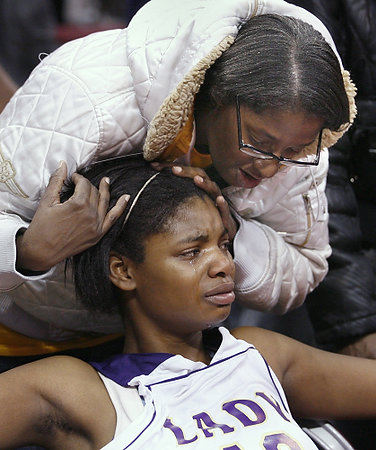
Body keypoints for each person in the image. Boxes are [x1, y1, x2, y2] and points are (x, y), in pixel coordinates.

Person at [0, 1, 356, 358]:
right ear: (216, 94)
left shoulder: (296, 139)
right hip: (18, 337)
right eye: (258, 143)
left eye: (295, 150)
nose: (270, 167)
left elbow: (304, 267)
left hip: (160, 345)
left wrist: (235, 233)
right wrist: (27, 250)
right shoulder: (85, 96)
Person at [1, 156, 376, 449]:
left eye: (224, 244)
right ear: (123, 271)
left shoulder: (257, 353)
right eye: (192, 252)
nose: (224, 265)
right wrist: (26, 250)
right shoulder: (84, 392)